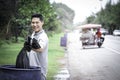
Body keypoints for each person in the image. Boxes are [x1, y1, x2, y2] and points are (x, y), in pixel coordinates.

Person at [27, 14, 49, 80]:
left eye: (37, 22)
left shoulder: (43, 36)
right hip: (32, 68)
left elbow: (40, 49)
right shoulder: (34, 33)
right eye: (33, 22)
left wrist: (29, 47)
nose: (34, 25)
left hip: (39, 71)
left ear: (42, 23)